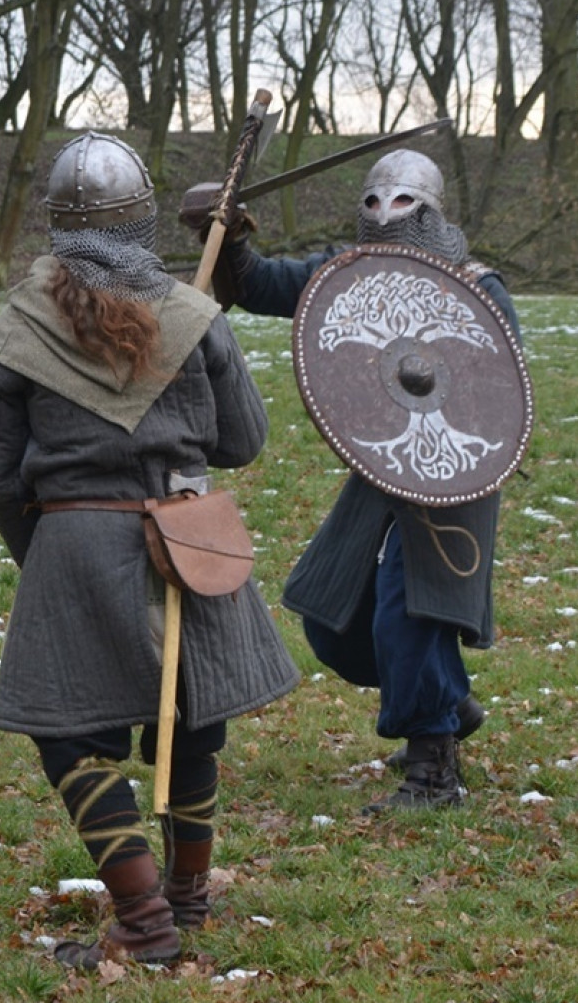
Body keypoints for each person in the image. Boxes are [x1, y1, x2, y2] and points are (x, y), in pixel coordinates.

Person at [0, 131, 300, 968]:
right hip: (186, 537)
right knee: (190, 728)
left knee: (72, 739)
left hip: (76, 542)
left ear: (59, 225)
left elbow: (2, 478)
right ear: (142, 219)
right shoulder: (193, 317)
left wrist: (45, 556)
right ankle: (176, 909)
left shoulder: (19, 327)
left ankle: (154, 922)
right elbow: (244, 441)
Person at [180, 148, 522, 811]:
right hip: (383, 464)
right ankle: (446, 703)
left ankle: (433, 769)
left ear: (430, 212)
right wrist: (223, 237)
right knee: (333, 617)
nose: (385, 214)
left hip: (453, 471)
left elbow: (496, 394)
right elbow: (259, 285)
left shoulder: (477, 286)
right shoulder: (351, 273)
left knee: (410, 609)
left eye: (402, 203)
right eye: (374, 201)